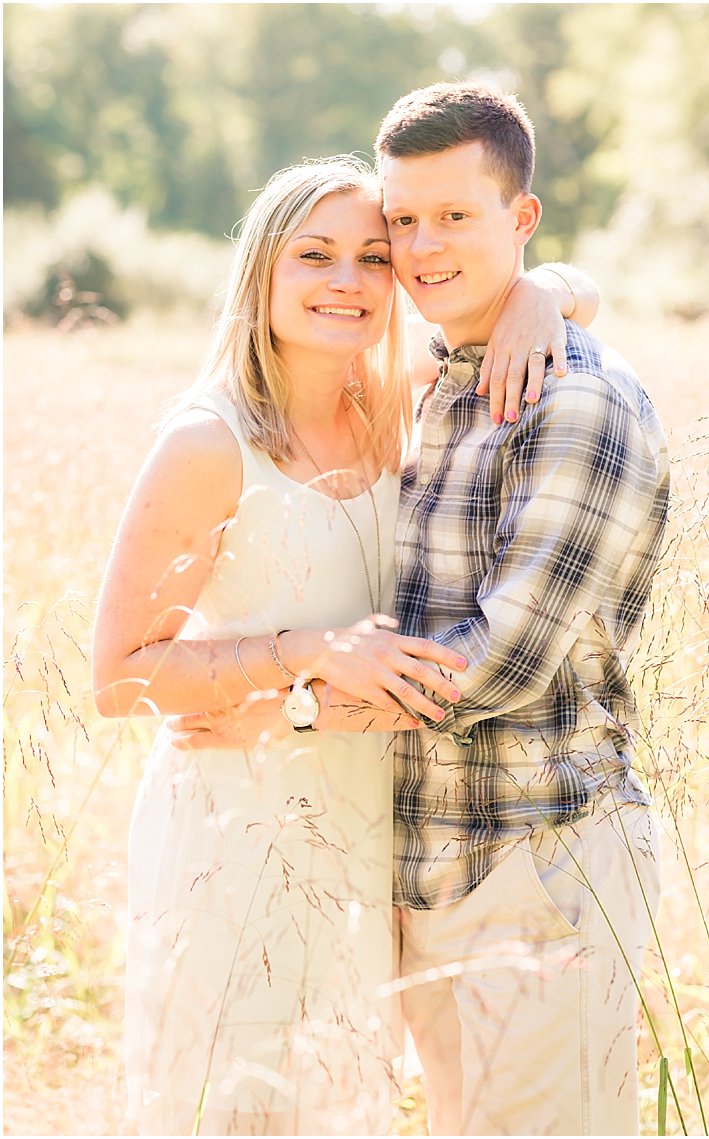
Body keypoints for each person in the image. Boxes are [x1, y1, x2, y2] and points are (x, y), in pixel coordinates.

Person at [93, 156, 586, 1134]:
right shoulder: (206, 444)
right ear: (262, 271)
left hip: (368, 822)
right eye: (314, 254)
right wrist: (305, 649)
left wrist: (538, 295)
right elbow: (119, 678)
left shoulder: (398, 401)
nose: (348, 281)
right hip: (236, 828)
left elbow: (572, 281)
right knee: (235, 1098)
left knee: (342, 1098)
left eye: (373, 255)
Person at [369, 82, 669, 1135]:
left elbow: (503, 658)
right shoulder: (431, 376)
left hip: (539, 857)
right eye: (402, 219)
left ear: (521, 216)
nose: (422, 245)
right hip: (429, 865)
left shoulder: (577, 396)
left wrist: (303, 688)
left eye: (454, 214)